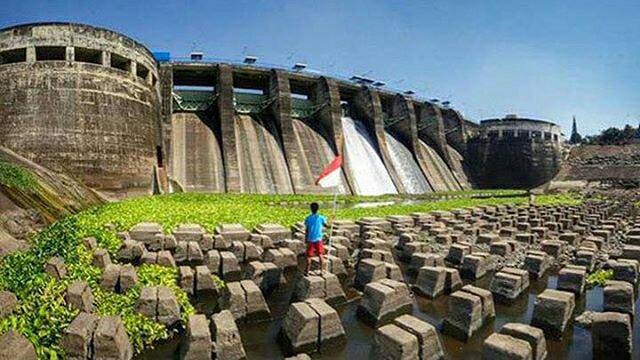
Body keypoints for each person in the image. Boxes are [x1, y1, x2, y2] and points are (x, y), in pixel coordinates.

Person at [304, 202, 332, 275]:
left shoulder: (308, 218)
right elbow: (327, 226)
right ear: (318, 209)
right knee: (320, 254)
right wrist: (331, 220)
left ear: (311, 209)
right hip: (319, 239)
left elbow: (307, 229)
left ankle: (307, 271)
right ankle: (322, 271)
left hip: (310, 239)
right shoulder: (321, 217)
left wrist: (306, 239)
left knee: (309, 256)